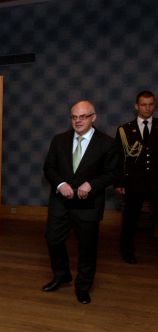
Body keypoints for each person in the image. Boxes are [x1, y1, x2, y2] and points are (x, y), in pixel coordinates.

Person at [41, 100, 119, 304]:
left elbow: (112, 173)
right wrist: (60, 184)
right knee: (53, 239)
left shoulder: (107, 143)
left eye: (83, 116)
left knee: (87, 247)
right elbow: (49, 168)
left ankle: (83, 286)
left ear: (94, 117)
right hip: (61, 201)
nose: (78, 121)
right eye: (74, 117)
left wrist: (91, 185)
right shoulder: (59, 140)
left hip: (88, 204)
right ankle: (61, 275)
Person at [114, 90, 158, 264]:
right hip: (134, 182)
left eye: (151, 104)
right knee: (130, 220)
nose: (148, 108)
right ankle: (127, 251)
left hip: (157, 181)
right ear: (136, 106)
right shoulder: (124, 130)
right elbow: (119, 158)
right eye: (144, 105)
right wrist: (118, 182)